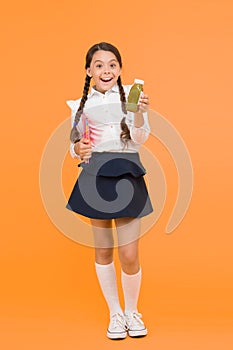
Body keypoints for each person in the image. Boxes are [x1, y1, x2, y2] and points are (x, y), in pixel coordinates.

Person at [66, 42, 153, 340]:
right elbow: (73, 147)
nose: (107, 70)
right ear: (89, 71)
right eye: (99, 65)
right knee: (103, 250)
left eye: (113, 64)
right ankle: (115, 313)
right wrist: (78, 148)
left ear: (119, 69)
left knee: (129, 253)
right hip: (95, 178)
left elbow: (139, 138)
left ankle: (132, 311)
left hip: (127, 174)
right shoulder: (81, 105)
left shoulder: (131, 96)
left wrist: (139, 115)